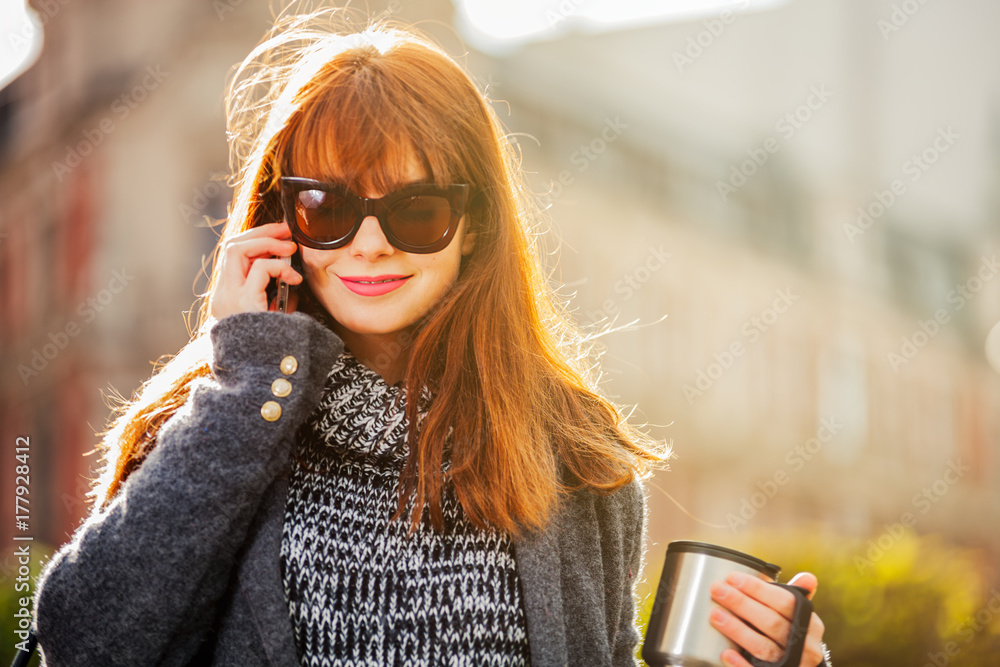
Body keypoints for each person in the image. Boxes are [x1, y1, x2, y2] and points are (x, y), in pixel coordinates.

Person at [30, 7, 828, 667]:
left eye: (415, 210)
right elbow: (84, 642)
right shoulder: (217, 417)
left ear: (474, 226)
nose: (368, 243)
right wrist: (246, 389)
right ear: (283, 221)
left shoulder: (576, 456)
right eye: (327, 208)